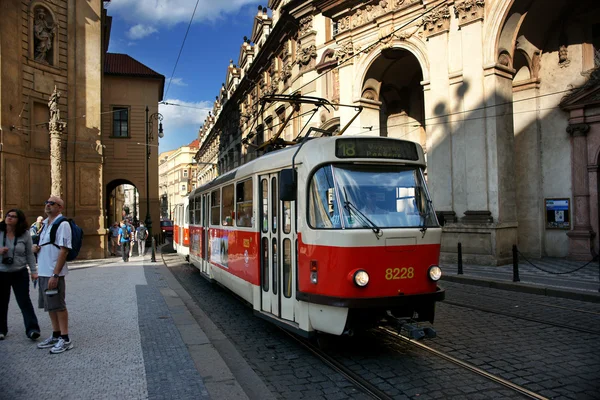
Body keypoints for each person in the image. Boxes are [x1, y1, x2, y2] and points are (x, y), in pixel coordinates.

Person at [32, 196, 73, 354]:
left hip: (53, 272)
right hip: (44, 271)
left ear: (60, 207)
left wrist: (55, 274)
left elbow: (64, 250)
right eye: (46, 203)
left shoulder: (62, 224)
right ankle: (56, 335)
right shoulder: (45, 225)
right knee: (50, 306)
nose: (48, 205)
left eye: (52, 203)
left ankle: (65, 338)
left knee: (58, 305)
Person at [0, 209, 41, 341]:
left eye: (13, 216)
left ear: (19, 220)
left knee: (24, 301)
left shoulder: (24, 234)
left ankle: (32, 329)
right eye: (8, 216)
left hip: (20, 272)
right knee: (1, 302)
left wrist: (34, 271)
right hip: (1, 272)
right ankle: (1, 330)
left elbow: (29, 254)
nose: (9, 218)